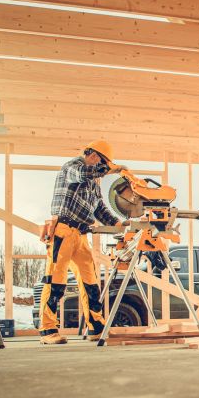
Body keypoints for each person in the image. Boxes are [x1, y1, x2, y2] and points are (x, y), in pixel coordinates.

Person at [38, 140, 127, 345]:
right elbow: (83, 173)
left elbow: (100, 210)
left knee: (90, 283)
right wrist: (112, 169)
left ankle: (95, 327)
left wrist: (119, 224)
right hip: (62, 231)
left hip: (80, 236)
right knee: (55, 281)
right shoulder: (72, 167)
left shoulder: (94, 184)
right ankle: (47, 330)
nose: (100, 168)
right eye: (101, 163)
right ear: (93, 156)